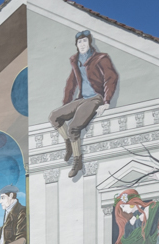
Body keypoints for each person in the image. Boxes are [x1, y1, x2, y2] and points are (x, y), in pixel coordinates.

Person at [48, 29, 118, 177]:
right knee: (54, 116)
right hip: (81, 98)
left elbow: (111, 77)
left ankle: (77, 161)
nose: (82, 44)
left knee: (73, 127)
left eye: (85, 41)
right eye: (79, 42)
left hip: (95, 97)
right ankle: (68, 143)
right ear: (76, 45)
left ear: (89, 42)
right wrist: (66, 104)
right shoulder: (76, 60)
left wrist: (106, 101)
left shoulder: (100, 58)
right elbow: (71, 83)